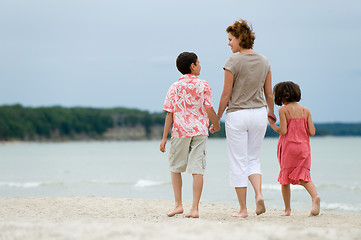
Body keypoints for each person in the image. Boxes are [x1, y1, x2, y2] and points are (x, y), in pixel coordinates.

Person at [210, 19, 276, 218]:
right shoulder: (264, 60)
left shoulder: (232, 61)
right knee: (253, 158)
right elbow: (269, 93)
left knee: (238, 161)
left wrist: (217, 118)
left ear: (240, 39)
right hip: (259, 114)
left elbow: (225, 94)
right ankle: (258, 194)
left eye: (230, 39)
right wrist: (271, 112)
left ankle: (243, 209)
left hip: (238, 115)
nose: (228, 43)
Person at [160, 52, 220, 218]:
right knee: (197, 169)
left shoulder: (174, 86)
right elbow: (209, 108)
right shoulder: (204, 85)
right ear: (192, 66)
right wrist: (216, 124)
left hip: (180, 131)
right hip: (200, 131)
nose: (200, 65)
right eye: (198, 63)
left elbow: (169, 114)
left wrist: (164, 137)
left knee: (175, 167)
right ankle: (194, 208)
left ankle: (178, 205)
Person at [268, 81, 321, 216]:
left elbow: (283, 131)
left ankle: (287, 210)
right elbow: (312, 132)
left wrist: (273, 125)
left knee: (285, 179)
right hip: (303, 149)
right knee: (304, 178)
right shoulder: (306, 111)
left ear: (282, 97)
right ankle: (315, 197)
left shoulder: (283, 110)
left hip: (288, 148)